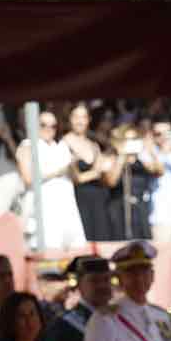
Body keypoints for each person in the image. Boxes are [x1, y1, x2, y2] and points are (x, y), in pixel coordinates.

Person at [17, 110, 87, 250]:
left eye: (53, 125)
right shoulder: (27, 145)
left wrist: (74, 164)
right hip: (43, 209)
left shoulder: (61, 146)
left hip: (67, 208)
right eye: (43, 124)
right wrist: (57, 172)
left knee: (74, 249)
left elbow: (76, 178)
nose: (48, 129)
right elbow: (28, 178)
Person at [65, 103, 112, 242]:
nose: (80, 121)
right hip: (78, 198)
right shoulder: (64, 142)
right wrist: (95, 172)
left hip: (99, 197)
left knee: (101, 238)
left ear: (88, 119)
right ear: (70, 119)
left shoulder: (94, 144)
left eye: (83, 117)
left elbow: (101, 172)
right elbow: (76, 178)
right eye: (76, 117)